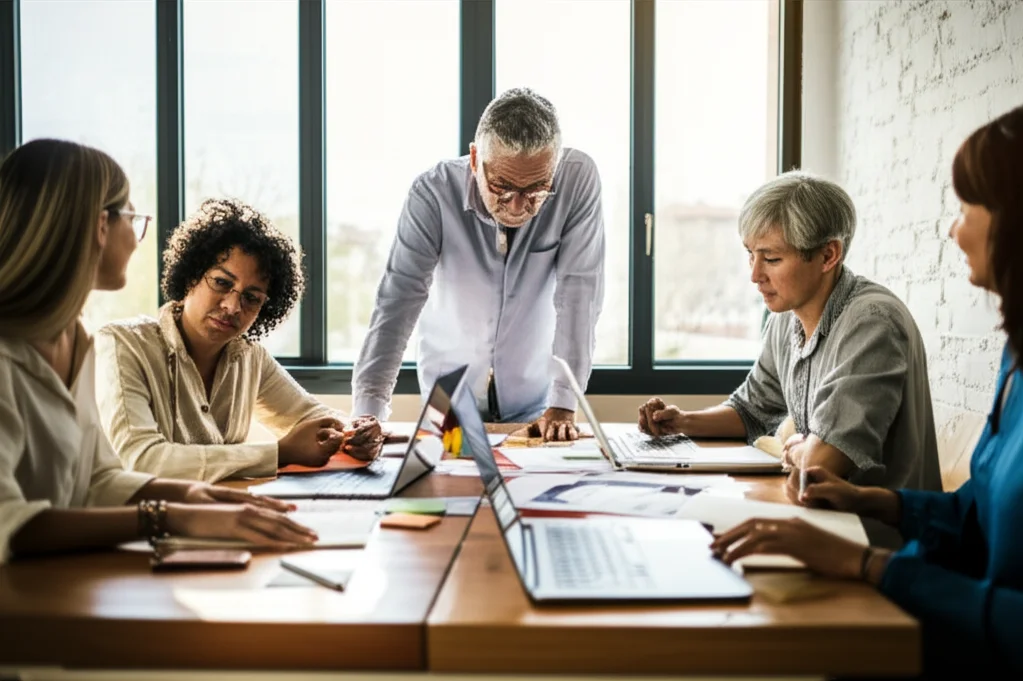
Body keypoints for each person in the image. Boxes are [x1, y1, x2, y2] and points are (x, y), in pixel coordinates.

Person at [711, 106, 1023, 678]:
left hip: (950, 623)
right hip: (919, 580)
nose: (952, 230)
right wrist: (869, 500)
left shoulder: (871, 319)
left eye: (967, 208)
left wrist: (865, 563)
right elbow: (972, 511)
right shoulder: (1017, 359)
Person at [0, 139, 316, 562]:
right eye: (131, 217)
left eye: (252, 297)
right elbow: (10, 521)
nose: (136, 237)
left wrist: (193, 495)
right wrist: (169, 516)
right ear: (99, 226)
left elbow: (97, 481)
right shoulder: (16, 353)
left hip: (66, 587)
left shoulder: (75, 340)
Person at [638, 171, 941, 496]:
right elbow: (750, 410)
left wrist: (797, 446)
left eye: (771, 258)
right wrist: (681, 421)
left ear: (828, 255)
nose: (755, 275)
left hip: (876, 532)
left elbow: (820, 465)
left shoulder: (872, 322)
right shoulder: (785, 318)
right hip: (818, 512)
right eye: (750, 255)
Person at [352, 87, 605, 442]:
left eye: (536, 189)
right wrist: (368, 411)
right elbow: (398, 300)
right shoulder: (433, 193)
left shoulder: (578, 179)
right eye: (502, 187)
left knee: (527, 492)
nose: (518, 207)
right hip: (446, 398)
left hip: (534, 397)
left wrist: (564, 400)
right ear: (474, 160)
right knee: (449, 488)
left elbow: (580, 293)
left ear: (556, 164)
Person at [96, 198, 384, 484]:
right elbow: (141, 461)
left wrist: (357, 432)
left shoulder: (249, 357)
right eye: (222, 283)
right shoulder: (123, 345)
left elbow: (310, 415)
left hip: (225, 514)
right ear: (190, 276)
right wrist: (279, 453)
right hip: (141, 524)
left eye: (251, 297)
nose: (233, 307)